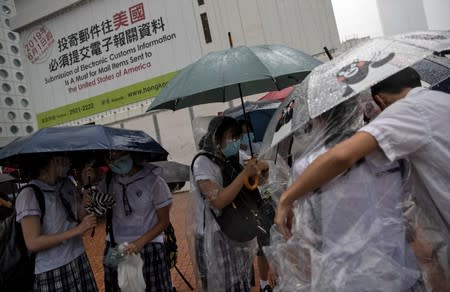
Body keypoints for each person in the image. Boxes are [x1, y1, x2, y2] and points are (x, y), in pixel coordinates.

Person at [275, 67, 450, 289]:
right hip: (399, 273)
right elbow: (409, 220)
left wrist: (286, 199)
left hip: (344, 279)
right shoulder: (394, 152)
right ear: (357, 108)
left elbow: (308, 234)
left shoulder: (307, 168)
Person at [190, 116, 260, 291]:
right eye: (231, 137)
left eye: (237, 137)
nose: (235, 142)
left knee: (241, 282)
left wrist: (260, 167)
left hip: (236, 230)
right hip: (213, 237)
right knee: (222, 285)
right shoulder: (202, 162)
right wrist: (244, 174)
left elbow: (262, 177)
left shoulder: (233, 157)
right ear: (216, 137)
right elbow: (218, 200)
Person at [15, 154, 98, 291]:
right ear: (50, 162)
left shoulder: (66, 184)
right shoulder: (29, 194)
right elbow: (32, 243)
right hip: (52, 268)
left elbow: (80, 216)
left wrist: (87, 185)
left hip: (77, 257)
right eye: (62, 158)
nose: (68, 162)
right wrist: (76, 231)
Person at [99, 150, 173, 292]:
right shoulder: (108, 181)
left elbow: (164, 221)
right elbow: (97, 209)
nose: (113, 160)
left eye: (117, 154)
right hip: (116, 247)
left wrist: (139, 242)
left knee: (153, 287)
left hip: (148, 246)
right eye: (109, 157)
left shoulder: (154, 181)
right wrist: (88, 185)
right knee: (117, 286)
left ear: (130, 153)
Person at [238, 119, 274, 292]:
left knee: (277, 242)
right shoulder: (238, 158)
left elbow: (267, 175)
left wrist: (262, 164)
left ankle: (279, 278)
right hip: (255, 207)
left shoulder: (260, 148)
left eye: (249, 132)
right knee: (262, 247)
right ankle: (264, 283)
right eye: (243, 134)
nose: (247, 136)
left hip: (270, 200)